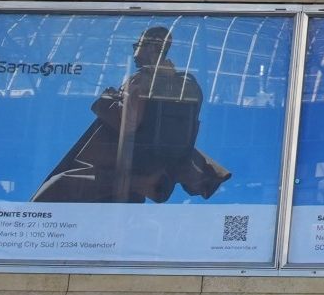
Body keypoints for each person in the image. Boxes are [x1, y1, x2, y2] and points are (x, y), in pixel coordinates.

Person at [34, 24, 227, 205]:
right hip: (145, 168)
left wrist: (107, 99)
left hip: (118, 166)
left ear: (153, 47)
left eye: (138, 45)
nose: (135, 52)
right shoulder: (186, 84)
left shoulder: (142, 79)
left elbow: (128, 122)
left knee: (53, 190)